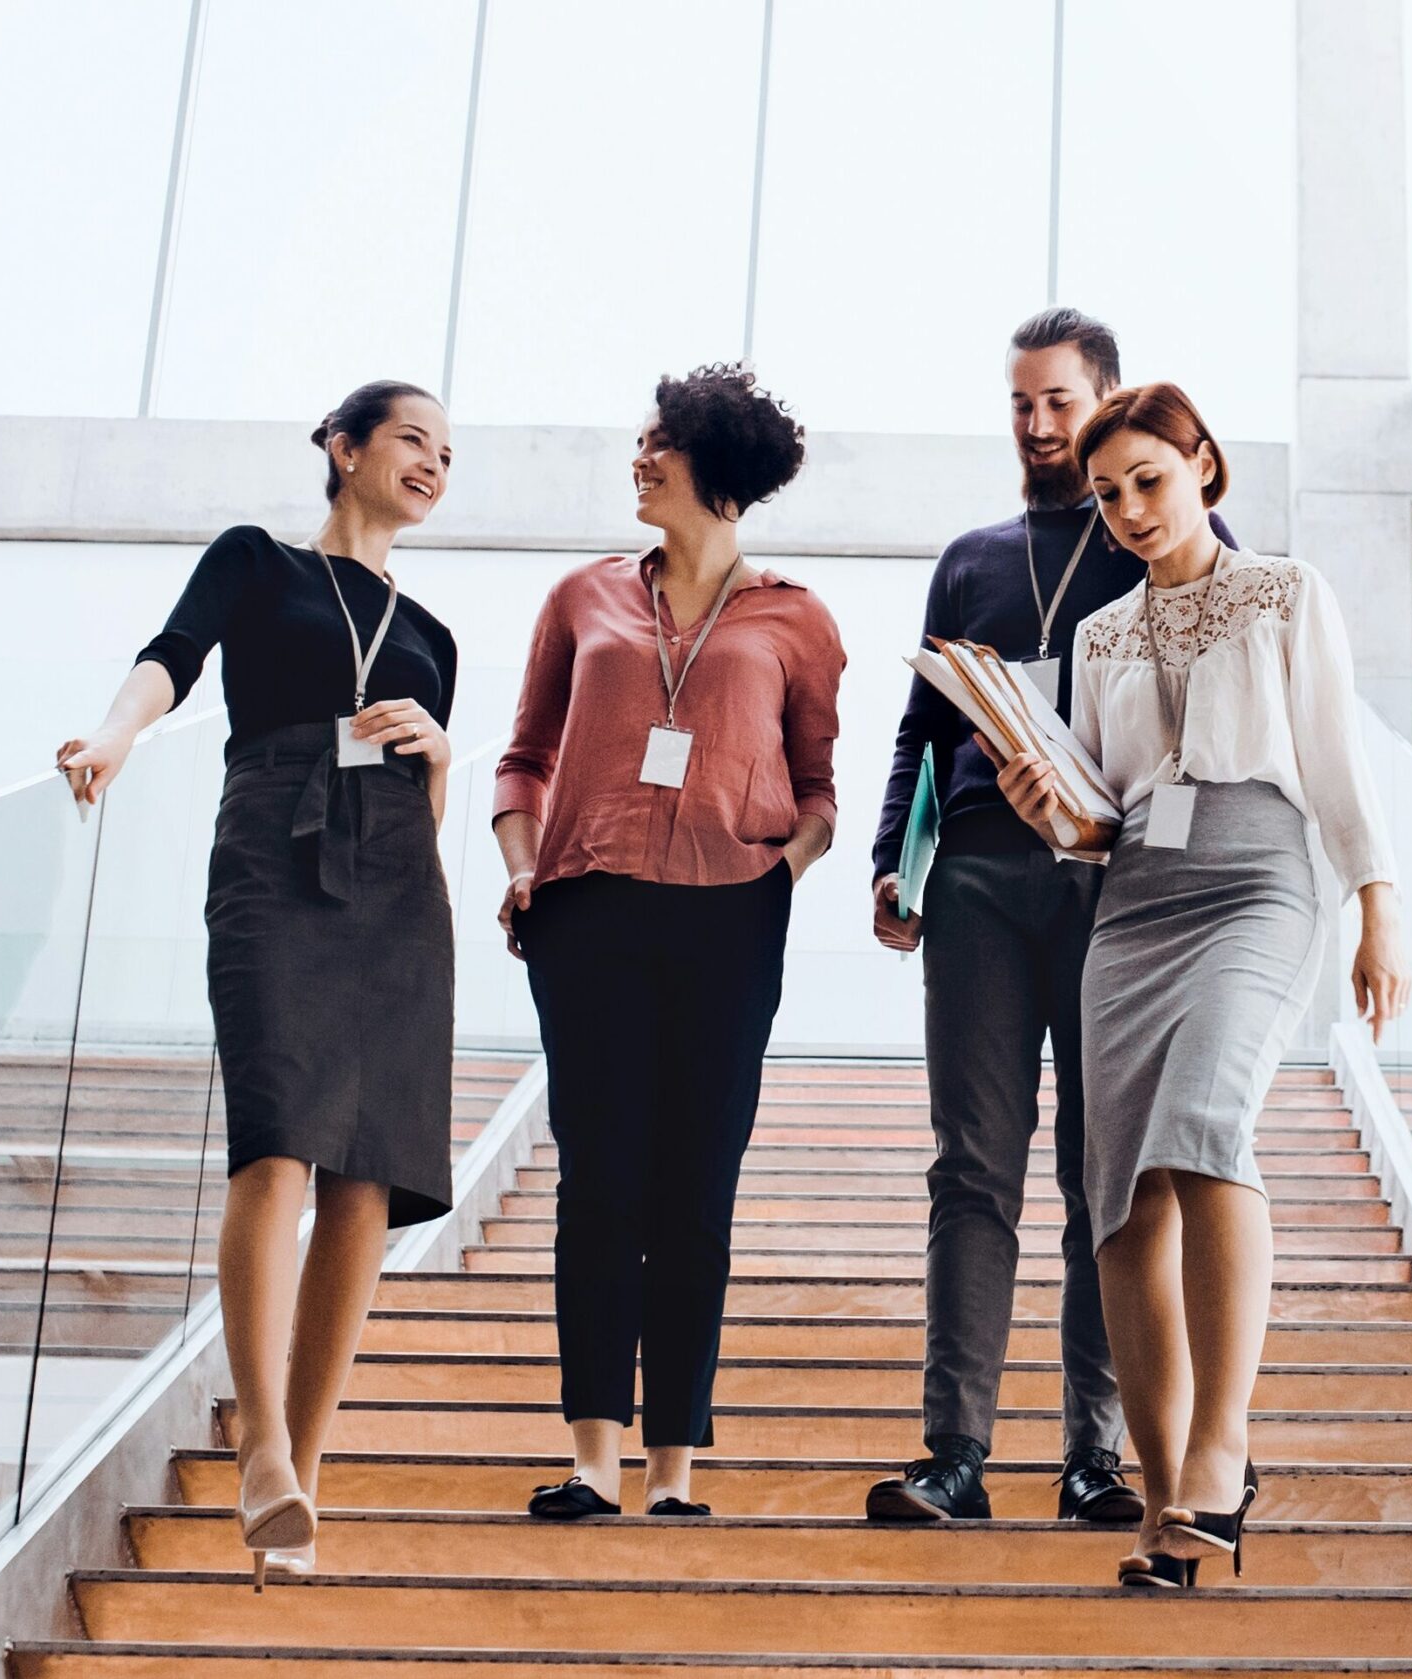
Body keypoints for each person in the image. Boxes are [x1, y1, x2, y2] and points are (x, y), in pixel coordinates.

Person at [992, 381, 1409, 1588]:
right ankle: (1167, 1499)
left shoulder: (1284, 590)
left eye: (1149, 480)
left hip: (1258, 878)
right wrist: (1048, 812)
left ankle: (1224, 1454)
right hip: (1130, 904)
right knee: (1118, 1191)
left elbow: (1333, 751)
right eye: (1108, 492)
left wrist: (1380, 900)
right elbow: (1101, 803)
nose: (1129, 508)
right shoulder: (1100, 635)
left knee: (1205, 1128)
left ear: (1203, 465)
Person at [56, 380, 459, 1587]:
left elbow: (428, 808)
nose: (434, 462)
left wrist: (440, 752)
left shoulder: (431, 633)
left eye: (450, 452)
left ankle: (307, 1470)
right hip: (273, 848)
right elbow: (170, 654)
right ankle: (262, 1447)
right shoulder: (256, 559)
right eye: (410, 439)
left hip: (397, 881)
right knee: (277, 1141)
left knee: (368, 1175)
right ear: (341, 448)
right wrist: (117, 734)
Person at [862, 309, 1234, 1525]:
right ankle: (954, 1454)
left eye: (1058, 403)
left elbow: (1211, 706)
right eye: (1018, 404)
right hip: (972, 879)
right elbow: (920, 729)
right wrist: (891, 861)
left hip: (1112, 882)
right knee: (970, 1169)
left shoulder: (1160, 530)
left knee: (1103, 1176)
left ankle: (1095, 1457)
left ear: (1107, 401)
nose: (1035, 426)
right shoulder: (969, 558)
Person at [493, 363, 841, 1520]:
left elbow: (817, 790)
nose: (637, 459)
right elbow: (522, 757)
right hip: (588, 911)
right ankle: (593, 1457)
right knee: (599, 1181)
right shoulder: (582, 596)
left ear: (717, 462)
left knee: (696, 1190)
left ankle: (675, 1469)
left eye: (659, 443)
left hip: (725, 919)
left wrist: (771, 877)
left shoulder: (795, 617)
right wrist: (519, 866)